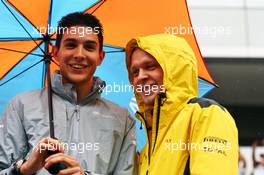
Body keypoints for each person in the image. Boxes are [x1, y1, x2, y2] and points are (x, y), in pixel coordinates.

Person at [0, 12, 136, 175]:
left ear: (100, 57)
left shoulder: (122, 120)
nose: (79, 54)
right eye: (71, 45)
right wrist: (23, 169)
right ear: (55, 52)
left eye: (89, 47)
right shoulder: (20, 106)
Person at [125, 34, 238, 174]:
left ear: (174, 69)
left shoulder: (207, 115)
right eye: (135, 72)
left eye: (150, 66)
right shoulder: (144, 152)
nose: (140, 77)